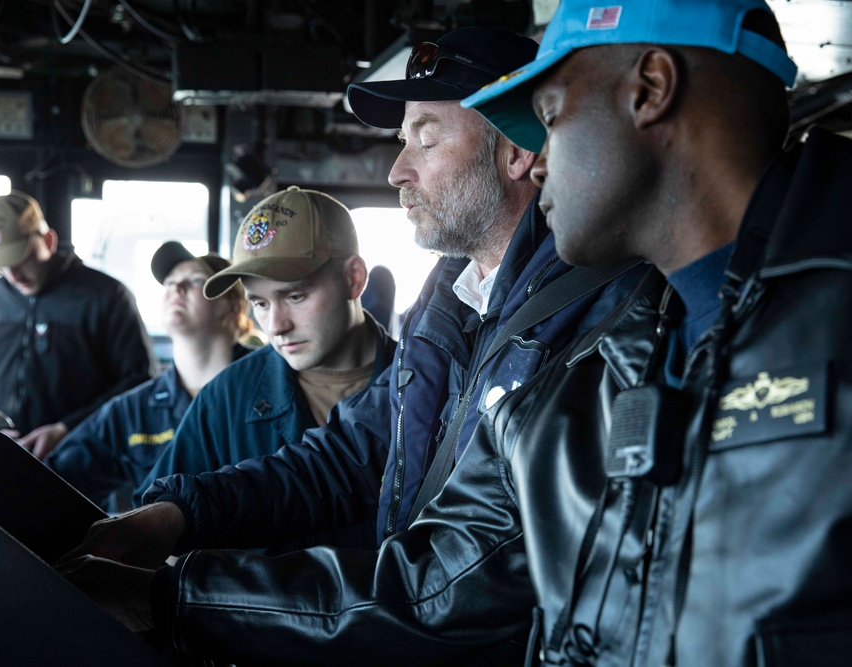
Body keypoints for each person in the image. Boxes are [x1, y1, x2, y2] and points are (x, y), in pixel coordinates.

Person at [58, 26, 646, 665]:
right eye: (402, 140)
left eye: (426, 137)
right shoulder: (450, 299)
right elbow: (353, 451)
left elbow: (452, 586)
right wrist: (179, 514)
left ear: (516, 152)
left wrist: (170, 598)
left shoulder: (596, 325)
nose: (397, 169)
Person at [457, 0, 852, 664]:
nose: (534, 163)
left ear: (650, 89)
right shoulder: (595, 377)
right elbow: (426, 583)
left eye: (551, 120)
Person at [134, 186, 397, 549]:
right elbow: (150, 521)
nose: (275, 325)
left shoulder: (423, 382)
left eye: (295, 296)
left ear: (354, 278)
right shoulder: (227, 397)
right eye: (258, 302)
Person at [45, 242, 252, 510]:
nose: (176, 288)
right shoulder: (133, 410)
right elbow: (55, 483)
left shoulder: (274, 382)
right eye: (170, 283)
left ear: (234, 307)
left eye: (196, 280)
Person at [0, 191, 156, 460]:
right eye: (2, 264)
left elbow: (139, 380)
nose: (13, 275)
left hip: (82, 455)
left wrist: (67, 428)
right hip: (0, 452)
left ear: (48, 240)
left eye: (21, 258)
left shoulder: (105, 296)